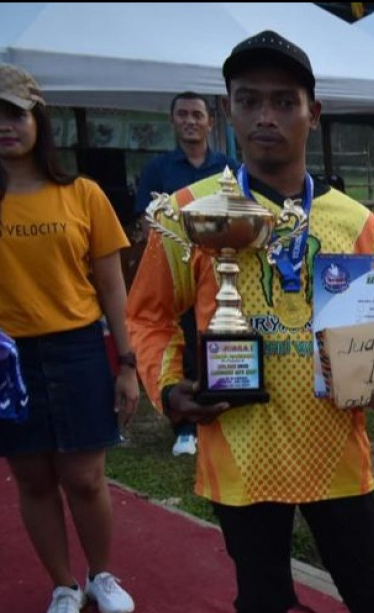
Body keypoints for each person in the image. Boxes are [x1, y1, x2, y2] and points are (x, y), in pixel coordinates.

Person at [125, 32, 374, 613]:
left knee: (370, 590)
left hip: (333, 448)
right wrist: (170, 387)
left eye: (283, 101)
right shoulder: (190, 212)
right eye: (249, 100)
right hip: (242, 447)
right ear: (227, 111)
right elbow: (146, 316)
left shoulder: (353, 222)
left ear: (311, 114)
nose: (266, 116)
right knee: (259, 601)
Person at [0, 63, 139, 613]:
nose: (2, 126)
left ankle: (102, 574)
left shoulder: (82, 194)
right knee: (31, 477)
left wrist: (126, 363)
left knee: (84, 476)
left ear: (38, 120)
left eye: (13, 114)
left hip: (78, 348)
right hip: (6, 358)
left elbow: (111, 285)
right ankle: (63, 585)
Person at [134, 92, 239, 458]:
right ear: (172, 121)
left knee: (213, 338)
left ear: (211, 122)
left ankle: (222, 402)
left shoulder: (229, 168)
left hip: (221, 270)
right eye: (183, 115)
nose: (191, 121)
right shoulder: (158, 170)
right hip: (177, 267)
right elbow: (150, 225)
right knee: (182, 342)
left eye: (197, 115)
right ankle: (184, 426)